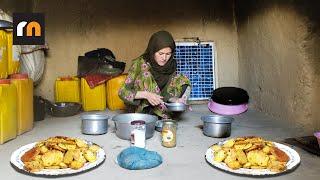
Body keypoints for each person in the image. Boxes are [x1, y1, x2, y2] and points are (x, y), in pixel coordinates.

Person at [118, 30, 191, 119]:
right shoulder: (139, 63)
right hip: (142, 106)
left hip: (160, 103)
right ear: (153, 51)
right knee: (146, 75)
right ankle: (155, 115)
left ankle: (162, 113)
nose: (164, 58)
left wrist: (176, 100)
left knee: (182, 78)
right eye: (160, 54)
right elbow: (122, 92)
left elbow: (166, 93)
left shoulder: (170, 65)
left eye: (168, 54)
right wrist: (146, 95)